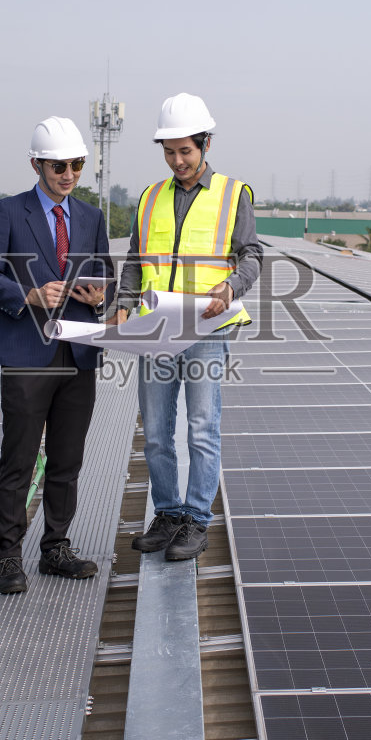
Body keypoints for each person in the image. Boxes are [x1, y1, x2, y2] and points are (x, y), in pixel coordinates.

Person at [111, 93, 262, 561]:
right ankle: (168, 513)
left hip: (205, 331)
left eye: (185, 151)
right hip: (156, 328)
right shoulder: (150, 197)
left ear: (206, 145)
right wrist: (123, 303)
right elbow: (137, 259)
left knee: (201, 428)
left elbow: (251, 255)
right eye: (169, 152)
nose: (177, 161)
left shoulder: (234, 194)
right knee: (155, 431)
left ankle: (197, 520)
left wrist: (232, 289)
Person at [0, 116, 113, 595]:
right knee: (19, 459)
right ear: (36, 164)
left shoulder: (91, 219)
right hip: (27, 353)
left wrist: (100, 299)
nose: (68, 174)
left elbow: (107, 279)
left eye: (75, 165)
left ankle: (55, 548)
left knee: (67, 458)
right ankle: (8, 557)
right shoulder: (9, 213)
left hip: (78, 354)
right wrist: (29, 295)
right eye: (58, 166)